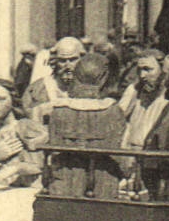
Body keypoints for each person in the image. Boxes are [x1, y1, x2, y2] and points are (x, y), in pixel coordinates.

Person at [45, 54, 126, 199]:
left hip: (65, 184)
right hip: (102, 185)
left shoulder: (59, 111)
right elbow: (117, 154)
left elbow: (54, 151)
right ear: (103, 79)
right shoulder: (113, 111)